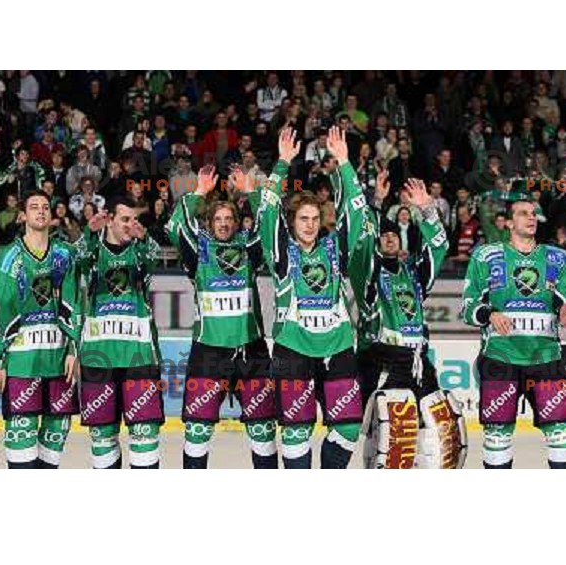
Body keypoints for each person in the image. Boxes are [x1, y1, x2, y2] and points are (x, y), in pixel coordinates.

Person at [255, 127, 369, 469]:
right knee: (295, 431)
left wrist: (346, 164)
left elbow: (357, 214)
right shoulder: (281, 250)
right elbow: (266, 212)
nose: (309, 224)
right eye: (303, 218)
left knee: (349, 426)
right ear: (291, 222)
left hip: (337, 348)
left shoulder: (335, 246)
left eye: (315, 218)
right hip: (293, 349)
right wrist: (282, 164)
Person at [351, 172, 467, 469]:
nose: (388, 237)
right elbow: (362, 243)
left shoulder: (413, 273)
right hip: (382, 360)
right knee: (390, 438)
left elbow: (438, 248)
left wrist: (428, 209)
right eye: (383, 234)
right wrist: (376, 202)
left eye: (393, 234)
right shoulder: (369, 275)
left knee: (441, 435)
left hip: (418, 359)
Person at [166, 165, 277, 469]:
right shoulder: (198, 252)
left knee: (263, 430)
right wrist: (198, 193)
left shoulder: (249, 248)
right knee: (197, 432)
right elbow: (174, 227)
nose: (224, 224)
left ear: (238, 223)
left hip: (251, 352)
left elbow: (269, 225)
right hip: (208, 353)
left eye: (229, 219)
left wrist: (252, 192)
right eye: (218, 219)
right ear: (209, 223)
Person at [462, 198, 566, 469]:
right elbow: (468, 307)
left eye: (534, 214)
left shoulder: (558, 258)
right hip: (500, 358)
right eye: (523, 213)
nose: (531, 218)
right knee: (497, 435)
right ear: (507, 222)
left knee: (562, 433)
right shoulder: (485, 256)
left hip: (546, 360)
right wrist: (490, 314)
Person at [0, 190, 80, 469]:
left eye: (45, 207)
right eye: (34, 207)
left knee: (50, 459)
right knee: (22, 461)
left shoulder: (65, 254)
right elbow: (1, 312)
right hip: (21, 365)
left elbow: (75, 304)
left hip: (57, 363)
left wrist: (73, 349)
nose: (41, 211)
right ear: (23, 215)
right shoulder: (8, 257)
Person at [75, 198, 164, 469]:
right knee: (102, 438)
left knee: (145, 436)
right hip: (97, 357)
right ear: (110, 219)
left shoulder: (139, 252)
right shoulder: (93, 252)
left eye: (134, 219)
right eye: (125, 219)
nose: (130, 225)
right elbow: (76, 261)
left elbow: (154, 259)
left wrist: (145, 235)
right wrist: (89, 233)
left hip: (139, 356)